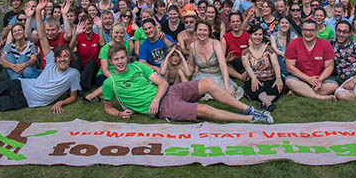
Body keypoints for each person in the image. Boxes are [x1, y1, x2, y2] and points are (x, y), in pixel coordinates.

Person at [101, 44, 273, 123]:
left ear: (127, 57)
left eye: (123, 57)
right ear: (111, 61)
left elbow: (162, 83)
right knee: (203, 110)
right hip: (163, 108)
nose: (121, 61)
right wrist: (118, 114)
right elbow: (107, 107)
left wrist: (155, 98)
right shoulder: (111, 83)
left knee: (206, 82)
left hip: (168, 92)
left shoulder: (137, 66)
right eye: (116, 59)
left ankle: (248, 108)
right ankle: (250, 118)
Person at [189, 20, 243, 99]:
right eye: (200, 30)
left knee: (225, 93)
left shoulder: (216, 43)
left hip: (217, 77)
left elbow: (223, 65)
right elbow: (190, 66)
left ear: (209, 32)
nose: (202, 32)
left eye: (205, 30)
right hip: (201, 77)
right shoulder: (192, 46)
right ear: (196, 31)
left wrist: (227, 85)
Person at [284, 19, 336, 100]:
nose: (308, 33)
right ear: (301, 31)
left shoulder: (325, 45)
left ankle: (299, 92)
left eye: (311, 30)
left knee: (333, 86)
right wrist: (308, 79)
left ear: (317, 31)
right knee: (289, 81)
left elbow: (329, 66)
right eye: (305, 30)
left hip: (319, 77)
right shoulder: (293, 43)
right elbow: (289, 66)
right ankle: (318, 97)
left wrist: (319, 80)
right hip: (299, 78)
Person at [241, 24, 283, 111]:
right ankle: (268, 104)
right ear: (250, 36)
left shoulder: (269, 49)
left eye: (260, 34)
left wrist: (278, 78)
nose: (258, 37)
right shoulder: (246, 53)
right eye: (255, 34)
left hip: (270, 78)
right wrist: (254, 78)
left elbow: (275, 64)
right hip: (255, 78)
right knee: (255, 86)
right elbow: (247, 67)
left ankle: (263, 102)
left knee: (279, 84)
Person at [222, 11, 250, 81]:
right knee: (223, 65)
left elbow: (254, 54)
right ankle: (240, 77)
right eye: (233, 22)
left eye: (237, 21)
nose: (235, 24)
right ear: (230, 24)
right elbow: (221, 60)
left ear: (241, 22)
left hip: (245, 63)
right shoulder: (225, 38)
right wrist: (227, 60)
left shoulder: (247, 36)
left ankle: (246, 73)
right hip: (232, 65)